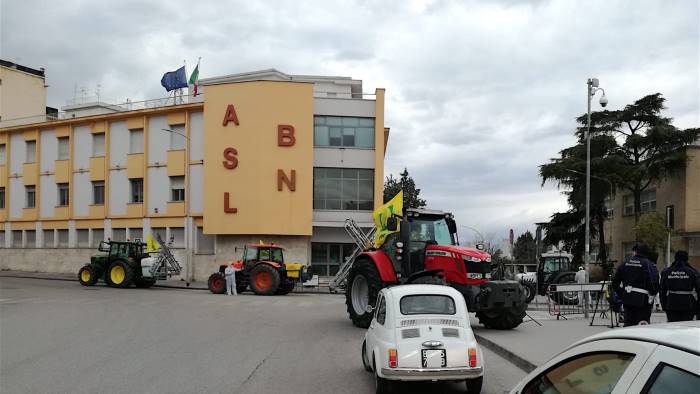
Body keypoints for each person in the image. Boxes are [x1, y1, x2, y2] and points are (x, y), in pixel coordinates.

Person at [612, 244, 659, 326]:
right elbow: (654, 283)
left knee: (628, 325)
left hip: (628, 300)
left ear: (636, 252)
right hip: (643, 301)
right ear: (647, 254)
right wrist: (652, 293)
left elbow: (615, 283)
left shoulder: (624, 263)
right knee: (642, 327)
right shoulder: (649, 264)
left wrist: (623, 293)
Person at [660, 251, 699, 322]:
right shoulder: (692, 272)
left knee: (672, 326)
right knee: (686, 327)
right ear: (687, 259)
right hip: (688, 303)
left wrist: (664, 305)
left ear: (675, 258)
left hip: (671, 303)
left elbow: (662, 290)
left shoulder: (667, 271)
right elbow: (698, 289)